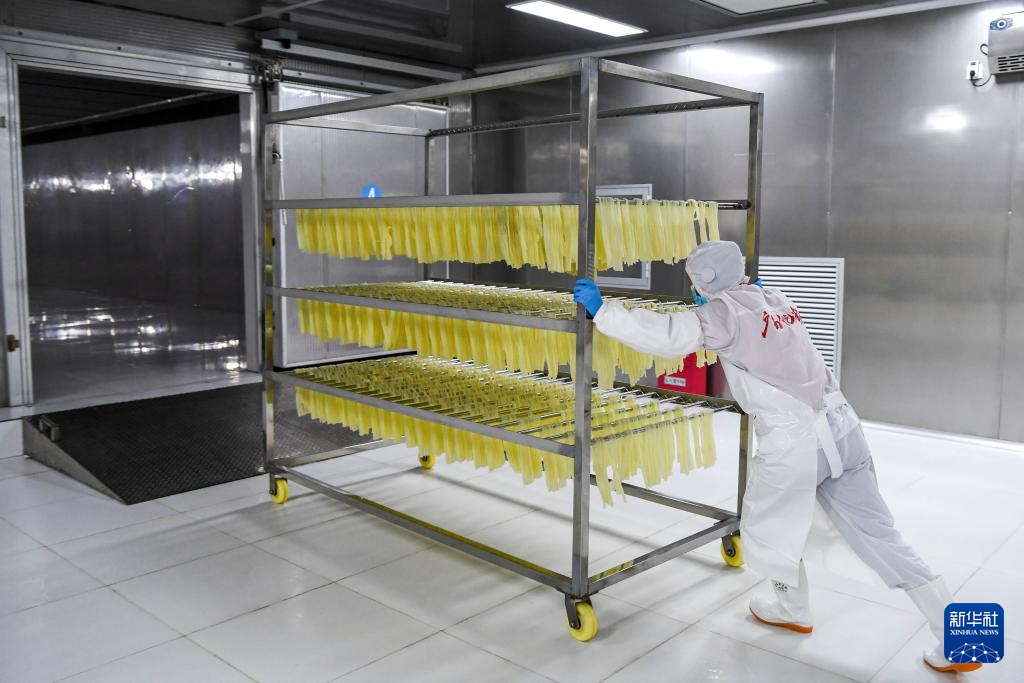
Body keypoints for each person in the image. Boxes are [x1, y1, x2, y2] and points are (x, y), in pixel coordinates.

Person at [573, 240, 977, 675]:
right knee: (881, 537)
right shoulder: (772, 296)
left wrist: (603, 311)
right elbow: (757, 327)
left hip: (795, 441)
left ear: (705, 281)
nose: (692, 289)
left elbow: (665, 334)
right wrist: (728, 301)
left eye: (693, 281)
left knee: (767, 529)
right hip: (843, 428)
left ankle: (792, 607)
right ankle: (963, 638)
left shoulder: (721, 315)